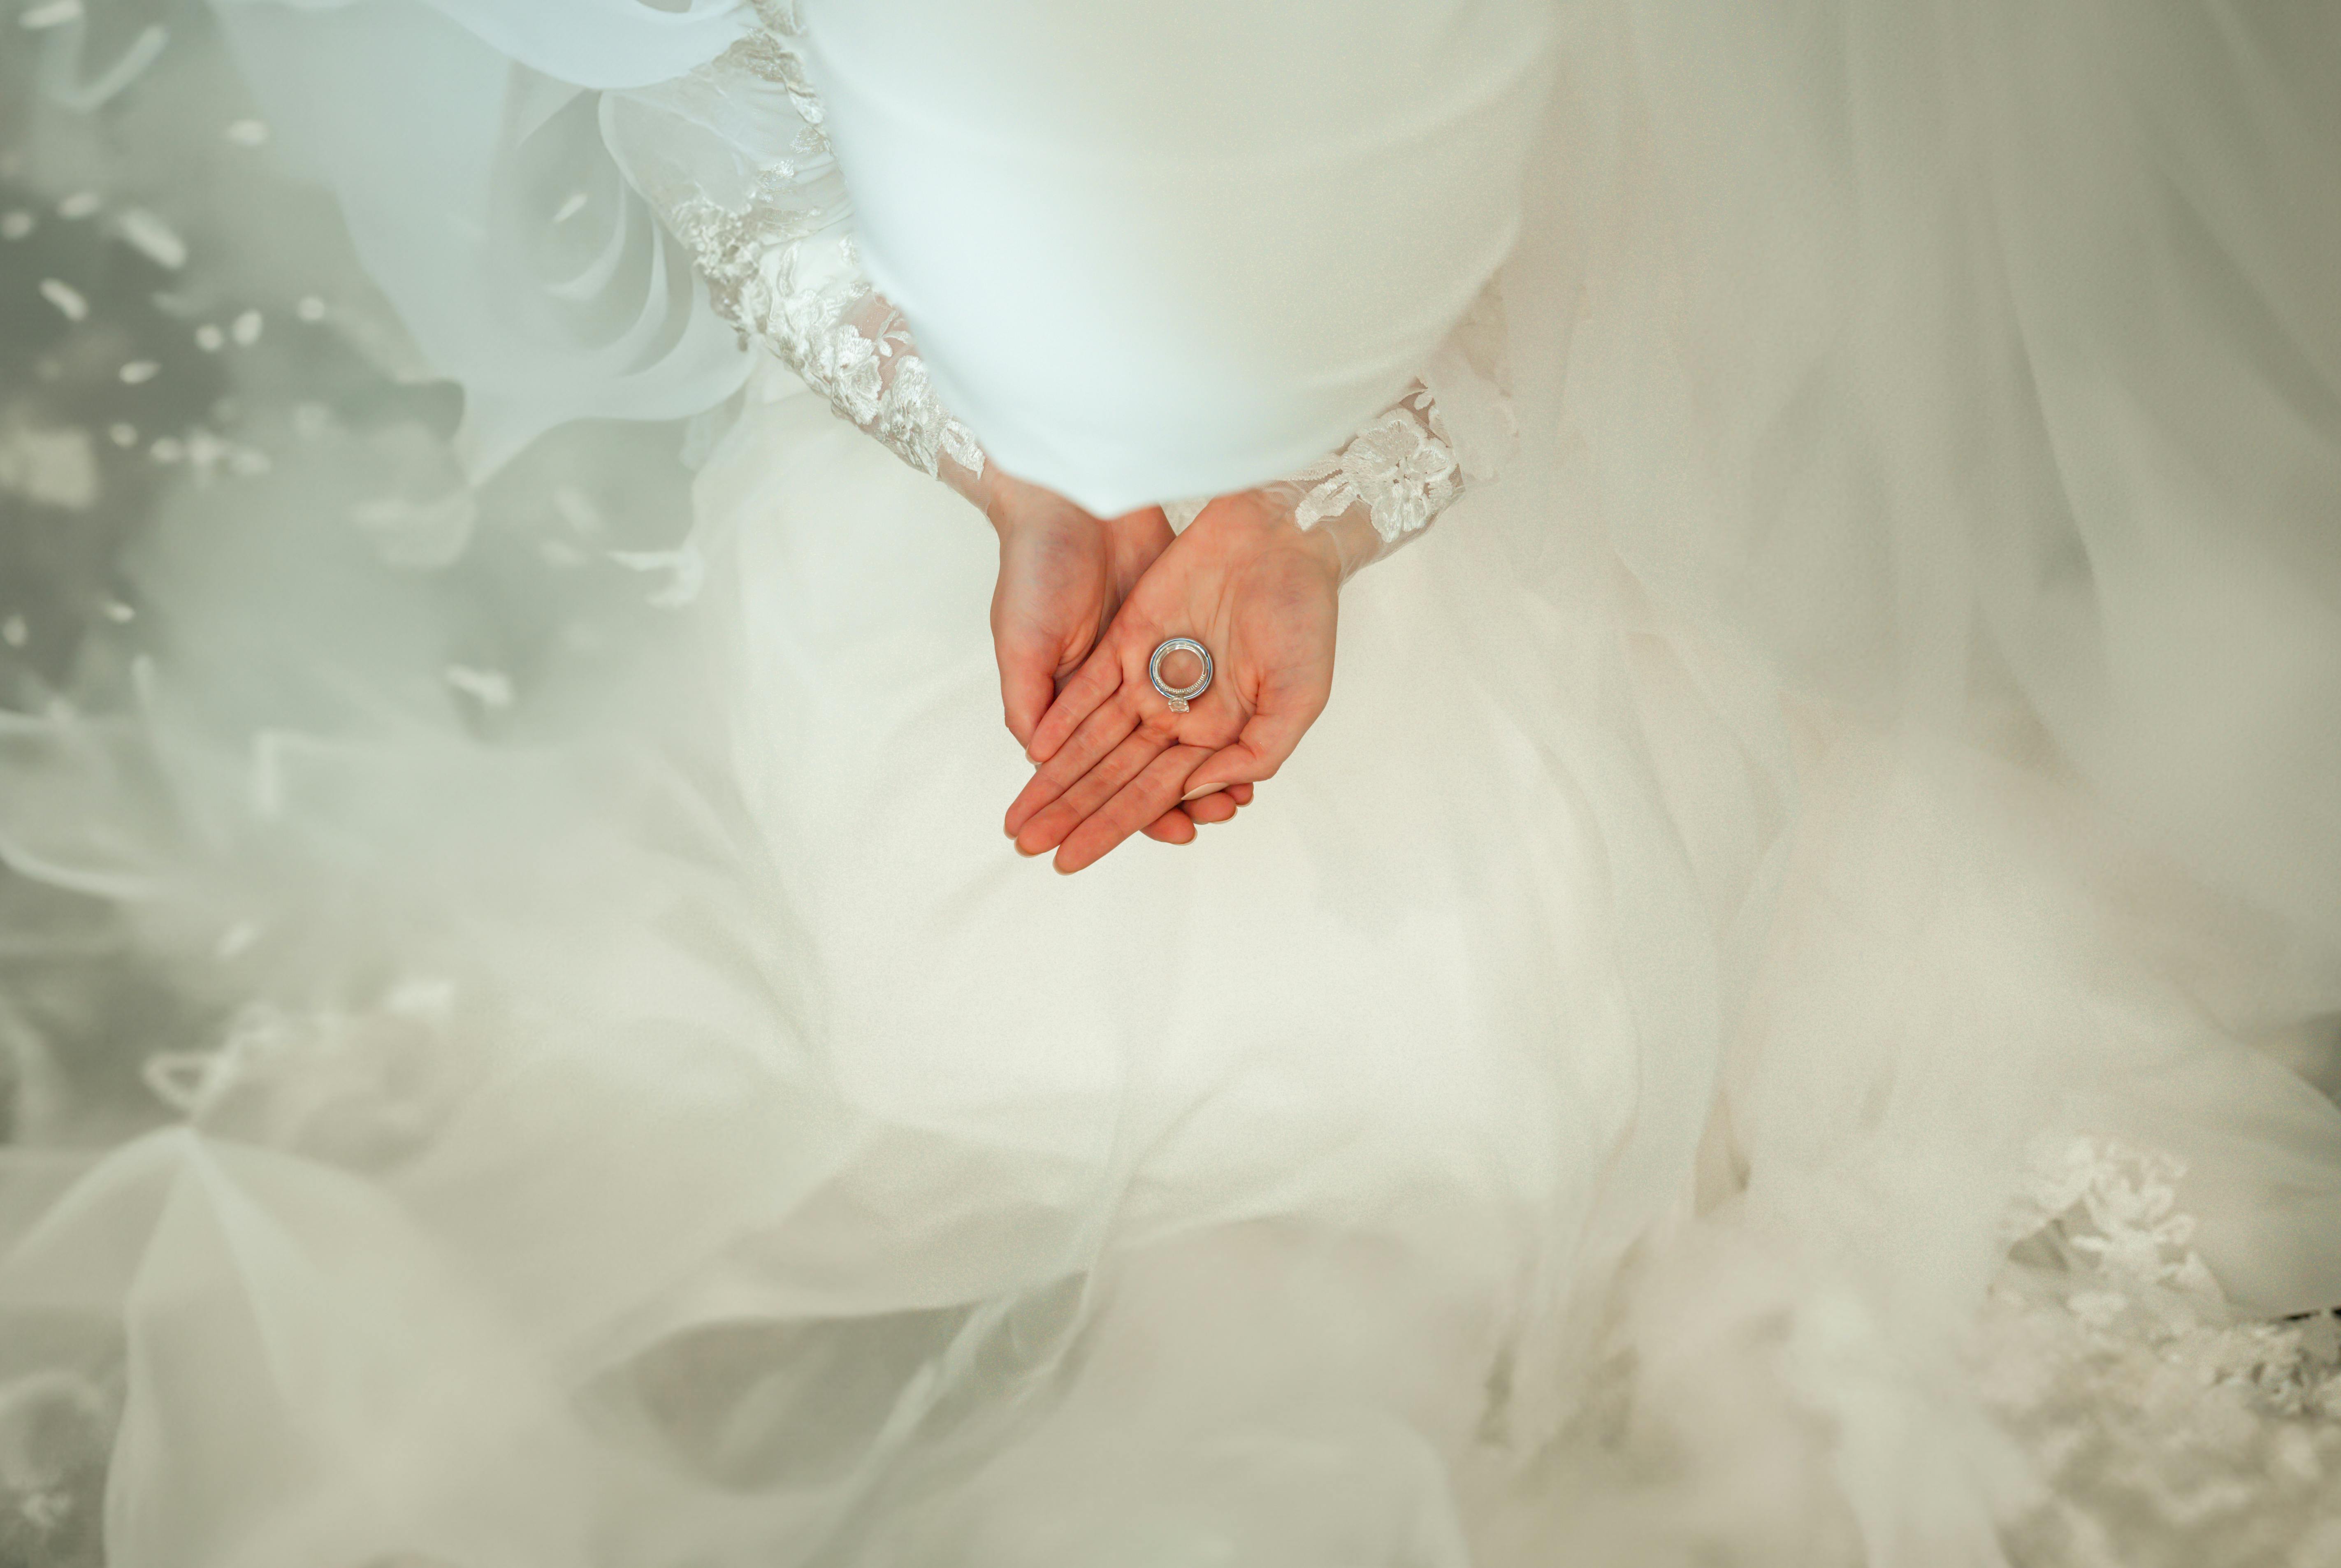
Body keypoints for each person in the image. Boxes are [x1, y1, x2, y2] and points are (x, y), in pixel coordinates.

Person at [1, 2, 2337, 1564]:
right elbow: (715, 99)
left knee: (1348, 1098)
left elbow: (1651, 140)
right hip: (987, 653)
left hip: (1497, 625)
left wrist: (1307, 509)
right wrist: (1035, 482)